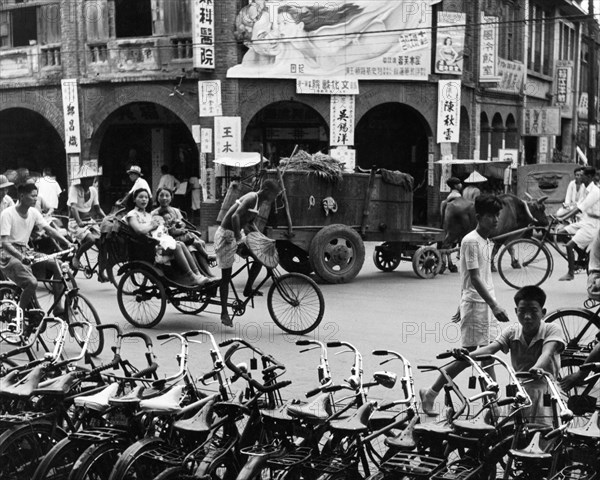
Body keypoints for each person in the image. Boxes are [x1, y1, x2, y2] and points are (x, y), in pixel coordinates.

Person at [421, 195, 510, 415]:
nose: (496, 220)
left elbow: (472, 279)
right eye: (491, 216)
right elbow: (474, 277)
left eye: (497, 216)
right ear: (479, 217)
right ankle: (431, 393)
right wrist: (492, 305)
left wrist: (468, 304)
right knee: (468, 356)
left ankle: (492, 406)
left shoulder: (487, 241)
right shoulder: (470, 241)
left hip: (483, 304)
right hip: (478, 304)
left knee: (486, 354)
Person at [426, 286, 564, 425]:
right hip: (521, 390)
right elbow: (490, 349)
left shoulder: (552, 330)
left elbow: (547, 352)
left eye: (533, 311)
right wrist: (467, 355)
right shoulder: (512, 331)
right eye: (522, 311)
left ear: (543, 313)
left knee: (545, 433)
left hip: (546, 391)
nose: (527, 317)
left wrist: (537, 368)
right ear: (516, 312)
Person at [0, 183, 73, 317]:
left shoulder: (33, 212)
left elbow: (49, 230)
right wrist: (21, 257)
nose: (35, 199)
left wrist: (67, 242)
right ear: (22, 196)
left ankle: (58, 307)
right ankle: (18, 316)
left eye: (36, 196)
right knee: (32, 283)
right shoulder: (7, 214)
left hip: (26, 250)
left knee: (57, 265)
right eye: (32, 196)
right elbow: (5, 243)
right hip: (8, 253)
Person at [215, 179, 280, 327]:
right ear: (267, 191)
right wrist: (239, 239)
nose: (274, 199)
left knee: (259, 257)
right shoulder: (252, 197)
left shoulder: (258, 202)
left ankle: (248, 288)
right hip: (226, 236)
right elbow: (235, 217)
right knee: (226, 277)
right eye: (274, 195)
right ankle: (224, 313)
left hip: (236, 234)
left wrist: (263, 238)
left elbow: (250, 223)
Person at [125, 188, 209, 287]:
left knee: (181, 244)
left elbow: (156, 229)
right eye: (141, 197)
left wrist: (162, 228)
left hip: (156, 241)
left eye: (146, 197)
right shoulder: (132, 214)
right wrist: (152, 226)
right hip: (147, 246)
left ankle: (197, 274)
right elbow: (139, 230)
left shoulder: (148, 214)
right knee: (177, 246)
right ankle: (191, 276)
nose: (144, 199)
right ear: (134, 199)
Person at [151, 187, 215, 278]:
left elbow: (183, 224)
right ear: (157, 197)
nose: (164, 198)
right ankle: (201, 274)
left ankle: (207, 272)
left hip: (180, 235)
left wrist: (181, 225)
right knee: (193, 246)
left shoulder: (175, 211)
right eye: (161, 195)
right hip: (170, 239)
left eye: (167, 195)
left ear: (171, 197)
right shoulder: (154, 213)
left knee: (201, 242)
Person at [557, 167, 600, 281]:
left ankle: (570, 273)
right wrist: (563, 215)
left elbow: (581, 207)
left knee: (570, 244)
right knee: (560, 233)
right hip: (585, 221)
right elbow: (577, 205)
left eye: (582, 175)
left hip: (593, 225)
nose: (580, 177)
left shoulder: (595, 191)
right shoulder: (585, 189)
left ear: (589, 177)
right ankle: (581, 254)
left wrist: (564, 218)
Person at [68, 165, 108, 281]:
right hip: (75, 222)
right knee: (91, 239)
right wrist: (79, 221)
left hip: (89, 221)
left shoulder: (93, 190)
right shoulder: (74, 189)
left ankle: (101, 273)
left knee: (103, 244)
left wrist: (106, 218)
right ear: (81, 179)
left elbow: (97, 208)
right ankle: (77, 256)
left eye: (91, 178)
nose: (89, 181)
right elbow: (73, 208)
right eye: (86, 178)